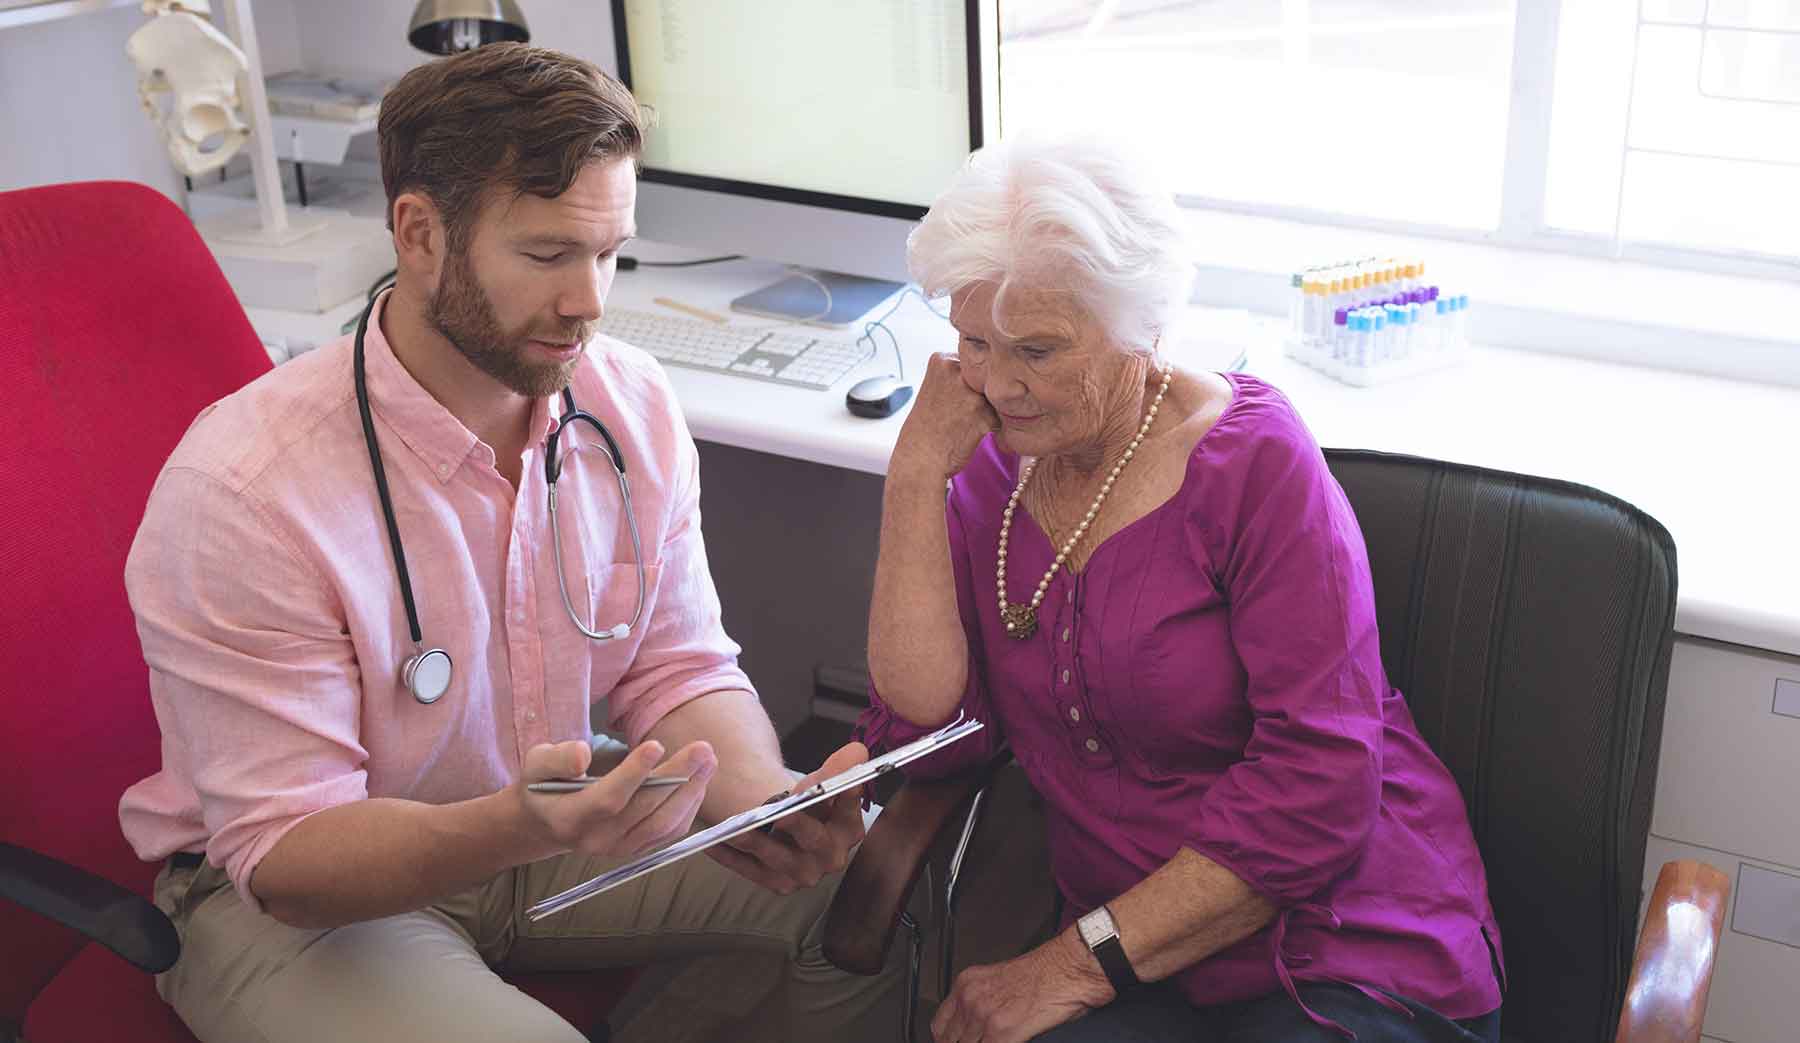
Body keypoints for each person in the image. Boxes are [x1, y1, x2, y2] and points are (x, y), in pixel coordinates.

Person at [120, 43, 900, 1043]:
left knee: (879, 882)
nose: (591, 301)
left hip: (540, 813)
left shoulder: (629, 401)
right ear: (420, 233)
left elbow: (676, 662)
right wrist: (517, 824)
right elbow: (287, 856)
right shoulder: (246, 490)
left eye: (609, 253)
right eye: (547, 255)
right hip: (300, 892)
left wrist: (760, 806)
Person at [859, 135, 1505, 1043]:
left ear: (1140, 329)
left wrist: (1070, 964)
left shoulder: (1254, 461)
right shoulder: (987, 466)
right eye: (974, 342)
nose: (998, 384)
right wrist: (914, 475)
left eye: (1037, 349)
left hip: (1340, 941)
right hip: (1131, 955)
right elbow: (931, 732)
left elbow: (1317, 784)